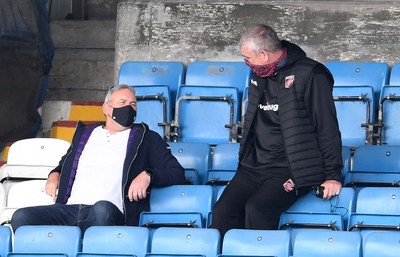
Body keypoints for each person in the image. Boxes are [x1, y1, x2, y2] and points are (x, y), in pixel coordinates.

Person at [211, 24, 343, 237]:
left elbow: (327, 127)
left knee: (257, 209)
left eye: (248, 58)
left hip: (292, 168)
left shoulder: (311, 74)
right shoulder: (258, 73)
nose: (247, 63)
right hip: (254, 165)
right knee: (222, 212)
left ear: (264, 54)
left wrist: (333, 175)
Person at [11, 84, 186, 232]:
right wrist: (54, 174)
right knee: (22, 217)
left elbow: (177, 173)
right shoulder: (85, 134)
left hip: (109, 211)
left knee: (101, 208)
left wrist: (148, 175)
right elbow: (65, 163)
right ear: (106, 108)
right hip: (69, 208)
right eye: (122, 102)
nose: (129, 107)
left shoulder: (147, 138)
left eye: (133, 104)